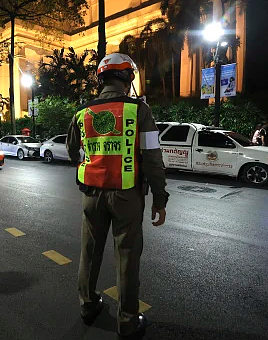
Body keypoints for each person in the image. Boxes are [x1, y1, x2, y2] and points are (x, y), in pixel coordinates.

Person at [66, 53, 169, 340]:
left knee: (90, 252)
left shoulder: (83, 112)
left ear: (102, 78)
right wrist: (160, 199)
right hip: (126, 196)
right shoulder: (139, 110)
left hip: (91, 195)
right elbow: (152, 159)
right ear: (128, 78)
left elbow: (73, 150)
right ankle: (127, 320)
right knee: (126, 257)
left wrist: (92, 159)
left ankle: (87, 306)